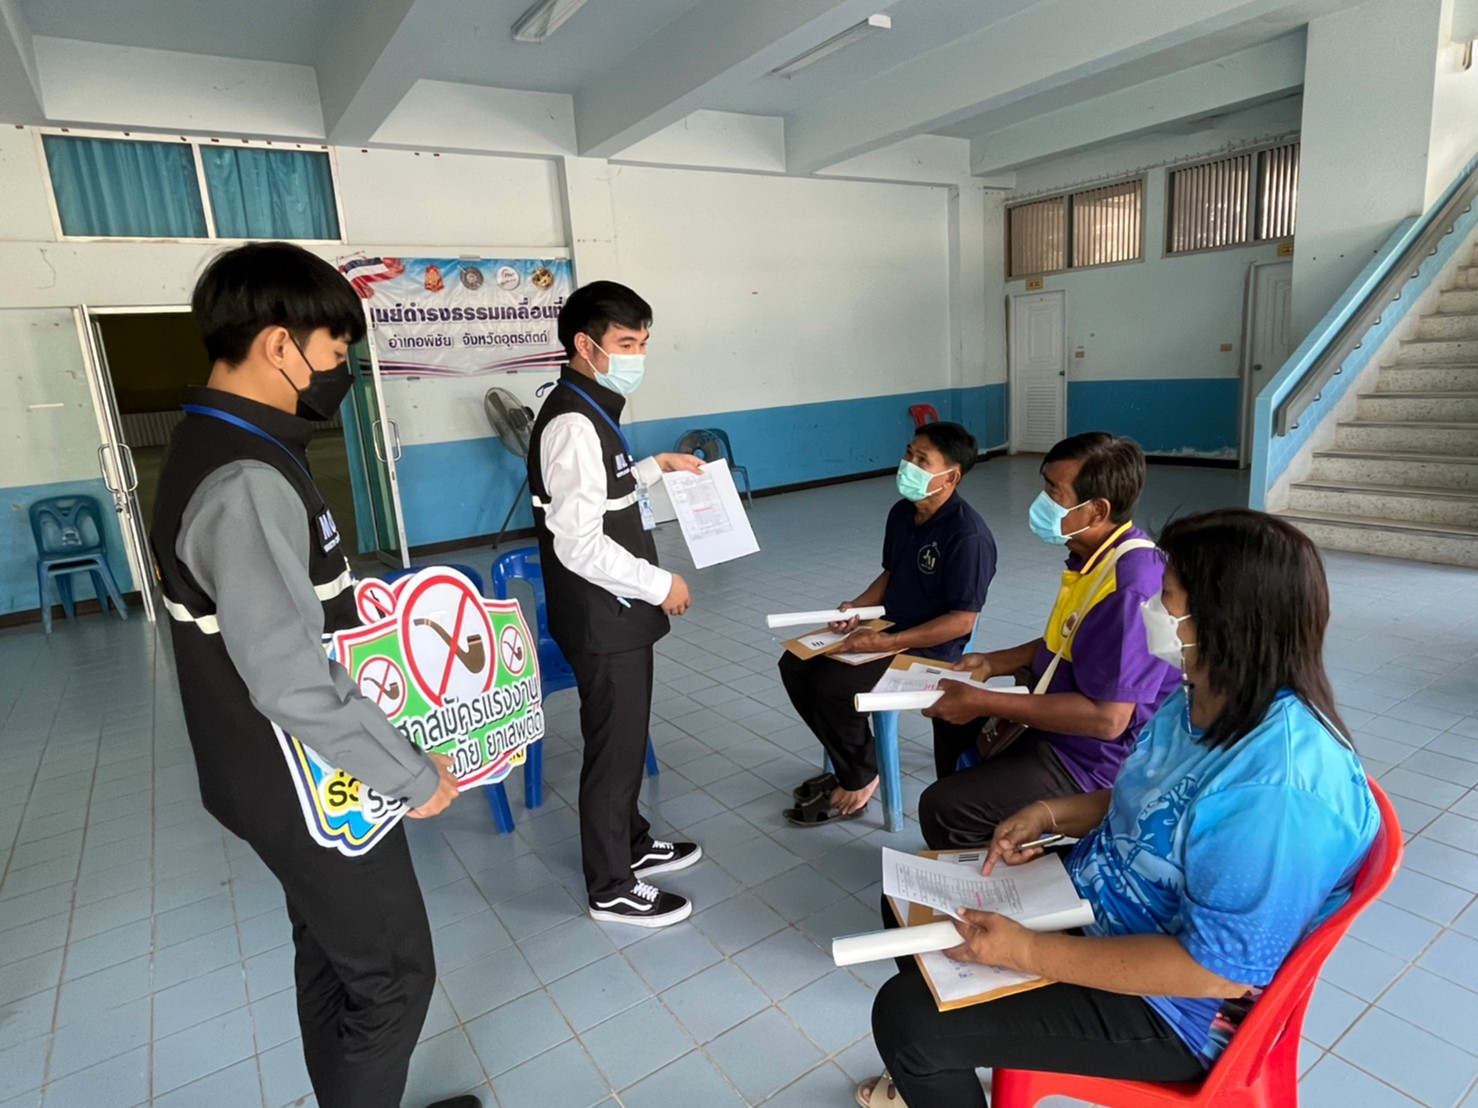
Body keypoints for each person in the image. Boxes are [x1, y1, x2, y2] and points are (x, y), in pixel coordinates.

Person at [859, 509, 1379, 1108]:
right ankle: (955, 1054)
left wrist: (1025, 951)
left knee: (910, 1022)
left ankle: (940, 1056)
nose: (1148, 609)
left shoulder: (1279, 790)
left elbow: (1216, 971)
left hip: (1178, 1007)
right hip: (1097, 906)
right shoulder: (1204, 693)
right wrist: (1050, 815)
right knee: (910, 907)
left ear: (1225, 621)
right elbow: (1159, 802)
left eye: (1167, 596)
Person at [150, 242, 476, 1108]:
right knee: (393, 976)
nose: (342, 371)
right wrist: (409, 774)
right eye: (336, 349)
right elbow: (289, 679)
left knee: (336, 953)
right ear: (278, 343)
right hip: (302, 776)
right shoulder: (244, 477)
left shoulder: (233, 443)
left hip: (277, 767)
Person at [528, 279, 705, 928]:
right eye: (626, 343)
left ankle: (631, 841)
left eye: (644, 342)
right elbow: (577, 542)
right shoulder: (573, 423)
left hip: (616, 614)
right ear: (586, 344)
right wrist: (660, 584)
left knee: (627, 740)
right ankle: (611, 885)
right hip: (604, 616)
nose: (638, 355)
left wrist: (656, 466)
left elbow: (607, 492)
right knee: (614, 751)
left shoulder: (590, 406)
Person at [917, 432, 1179, 849]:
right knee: (950, 722)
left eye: (1054, 492)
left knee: (943, 807)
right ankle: (992, 829)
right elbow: (1068, 641)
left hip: (1093, 760)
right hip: (1058, 725)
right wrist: (993, 662)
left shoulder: (1131, 587)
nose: (1042, 501)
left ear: (1097, 510)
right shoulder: (1096, 558)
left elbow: (1108, 720)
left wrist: (983, 701)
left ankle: (1000, 872)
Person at [779, 422, 996, 826]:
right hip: (888, 629)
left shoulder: (968, 536)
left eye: (922, 460)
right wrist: (857, 608)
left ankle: (860, 777)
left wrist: (886, 643)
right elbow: (891, 574)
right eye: (909, 453)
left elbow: (962, 621)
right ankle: (853, 764)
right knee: (795, 665)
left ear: (951, 477)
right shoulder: (902, 513)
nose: (908, 464)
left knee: (833, 686)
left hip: (930, 648)